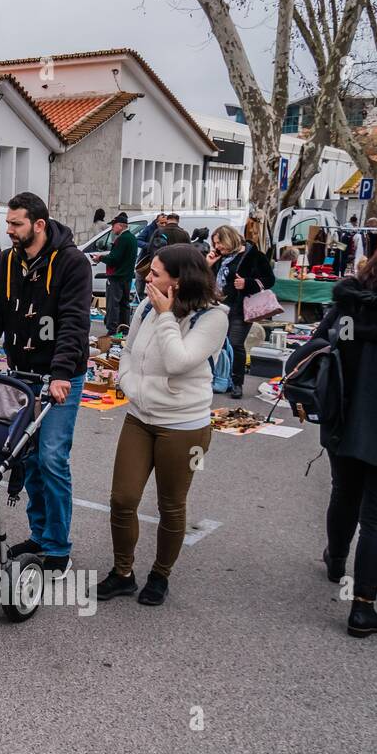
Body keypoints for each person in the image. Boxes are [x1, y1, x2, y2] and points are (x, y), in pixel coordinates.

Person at [0, 192, 92, 576]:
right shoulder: (6, 263)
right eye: (8, 223)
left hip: (59, 377)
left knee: (52, 458)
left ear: (38, 224)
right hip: (21, 375)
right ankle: (40, 537)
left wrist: (61, 374)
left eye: (16, 224)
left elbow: (74, 322)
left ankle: (58, 548)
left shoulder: (72, 263)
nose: (9, 230)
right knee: (29, 459)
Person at [96, 244, 227, 606]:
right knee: (122, 499)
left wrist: (167, 315)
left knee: (171, 505)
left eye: (155, 273)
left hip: (186, 426)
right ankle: (122, 573)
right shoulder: (144, 306)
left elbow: (178, 362)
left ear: (180, 280)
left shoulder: (213, 318)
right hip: (140, 417)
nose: (146, 278)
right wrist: (126, 383)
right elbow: (126, 350)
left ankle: (160, 574)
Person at [290, 245, 377, 638]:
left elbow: (316, 348)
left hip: (344, 418)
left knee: (344, 493)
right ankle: (363, 608)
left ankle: (336, 560)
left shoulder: (348, 308)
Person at [208, 224, 275, 399]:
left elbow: (269, 279)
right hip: (217, 307)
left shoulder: (253, 255)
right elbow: (203, 278)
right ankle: (220, 378)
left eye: (219, 243)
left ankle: (237, 382)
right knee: (217, 344)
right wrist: (208, 264)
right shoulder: (218, 257)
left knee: (235, 344)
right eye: (215, 243)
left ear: (228, 239)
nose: (217, 247)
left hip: (241, 308)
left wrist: (247, 283)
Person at [93, 213, 139, 335]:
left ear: (120, 225)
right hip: (127, 277)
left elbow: (114, 258)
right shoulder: (132, 238)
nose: (112, 228)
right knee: (124, 304)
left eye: (113, 226)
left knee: (113, 304)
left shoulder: (122, 239)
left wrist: (100, 258)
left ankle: (112, 330)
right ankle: (124, 328)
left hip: (116, 276)